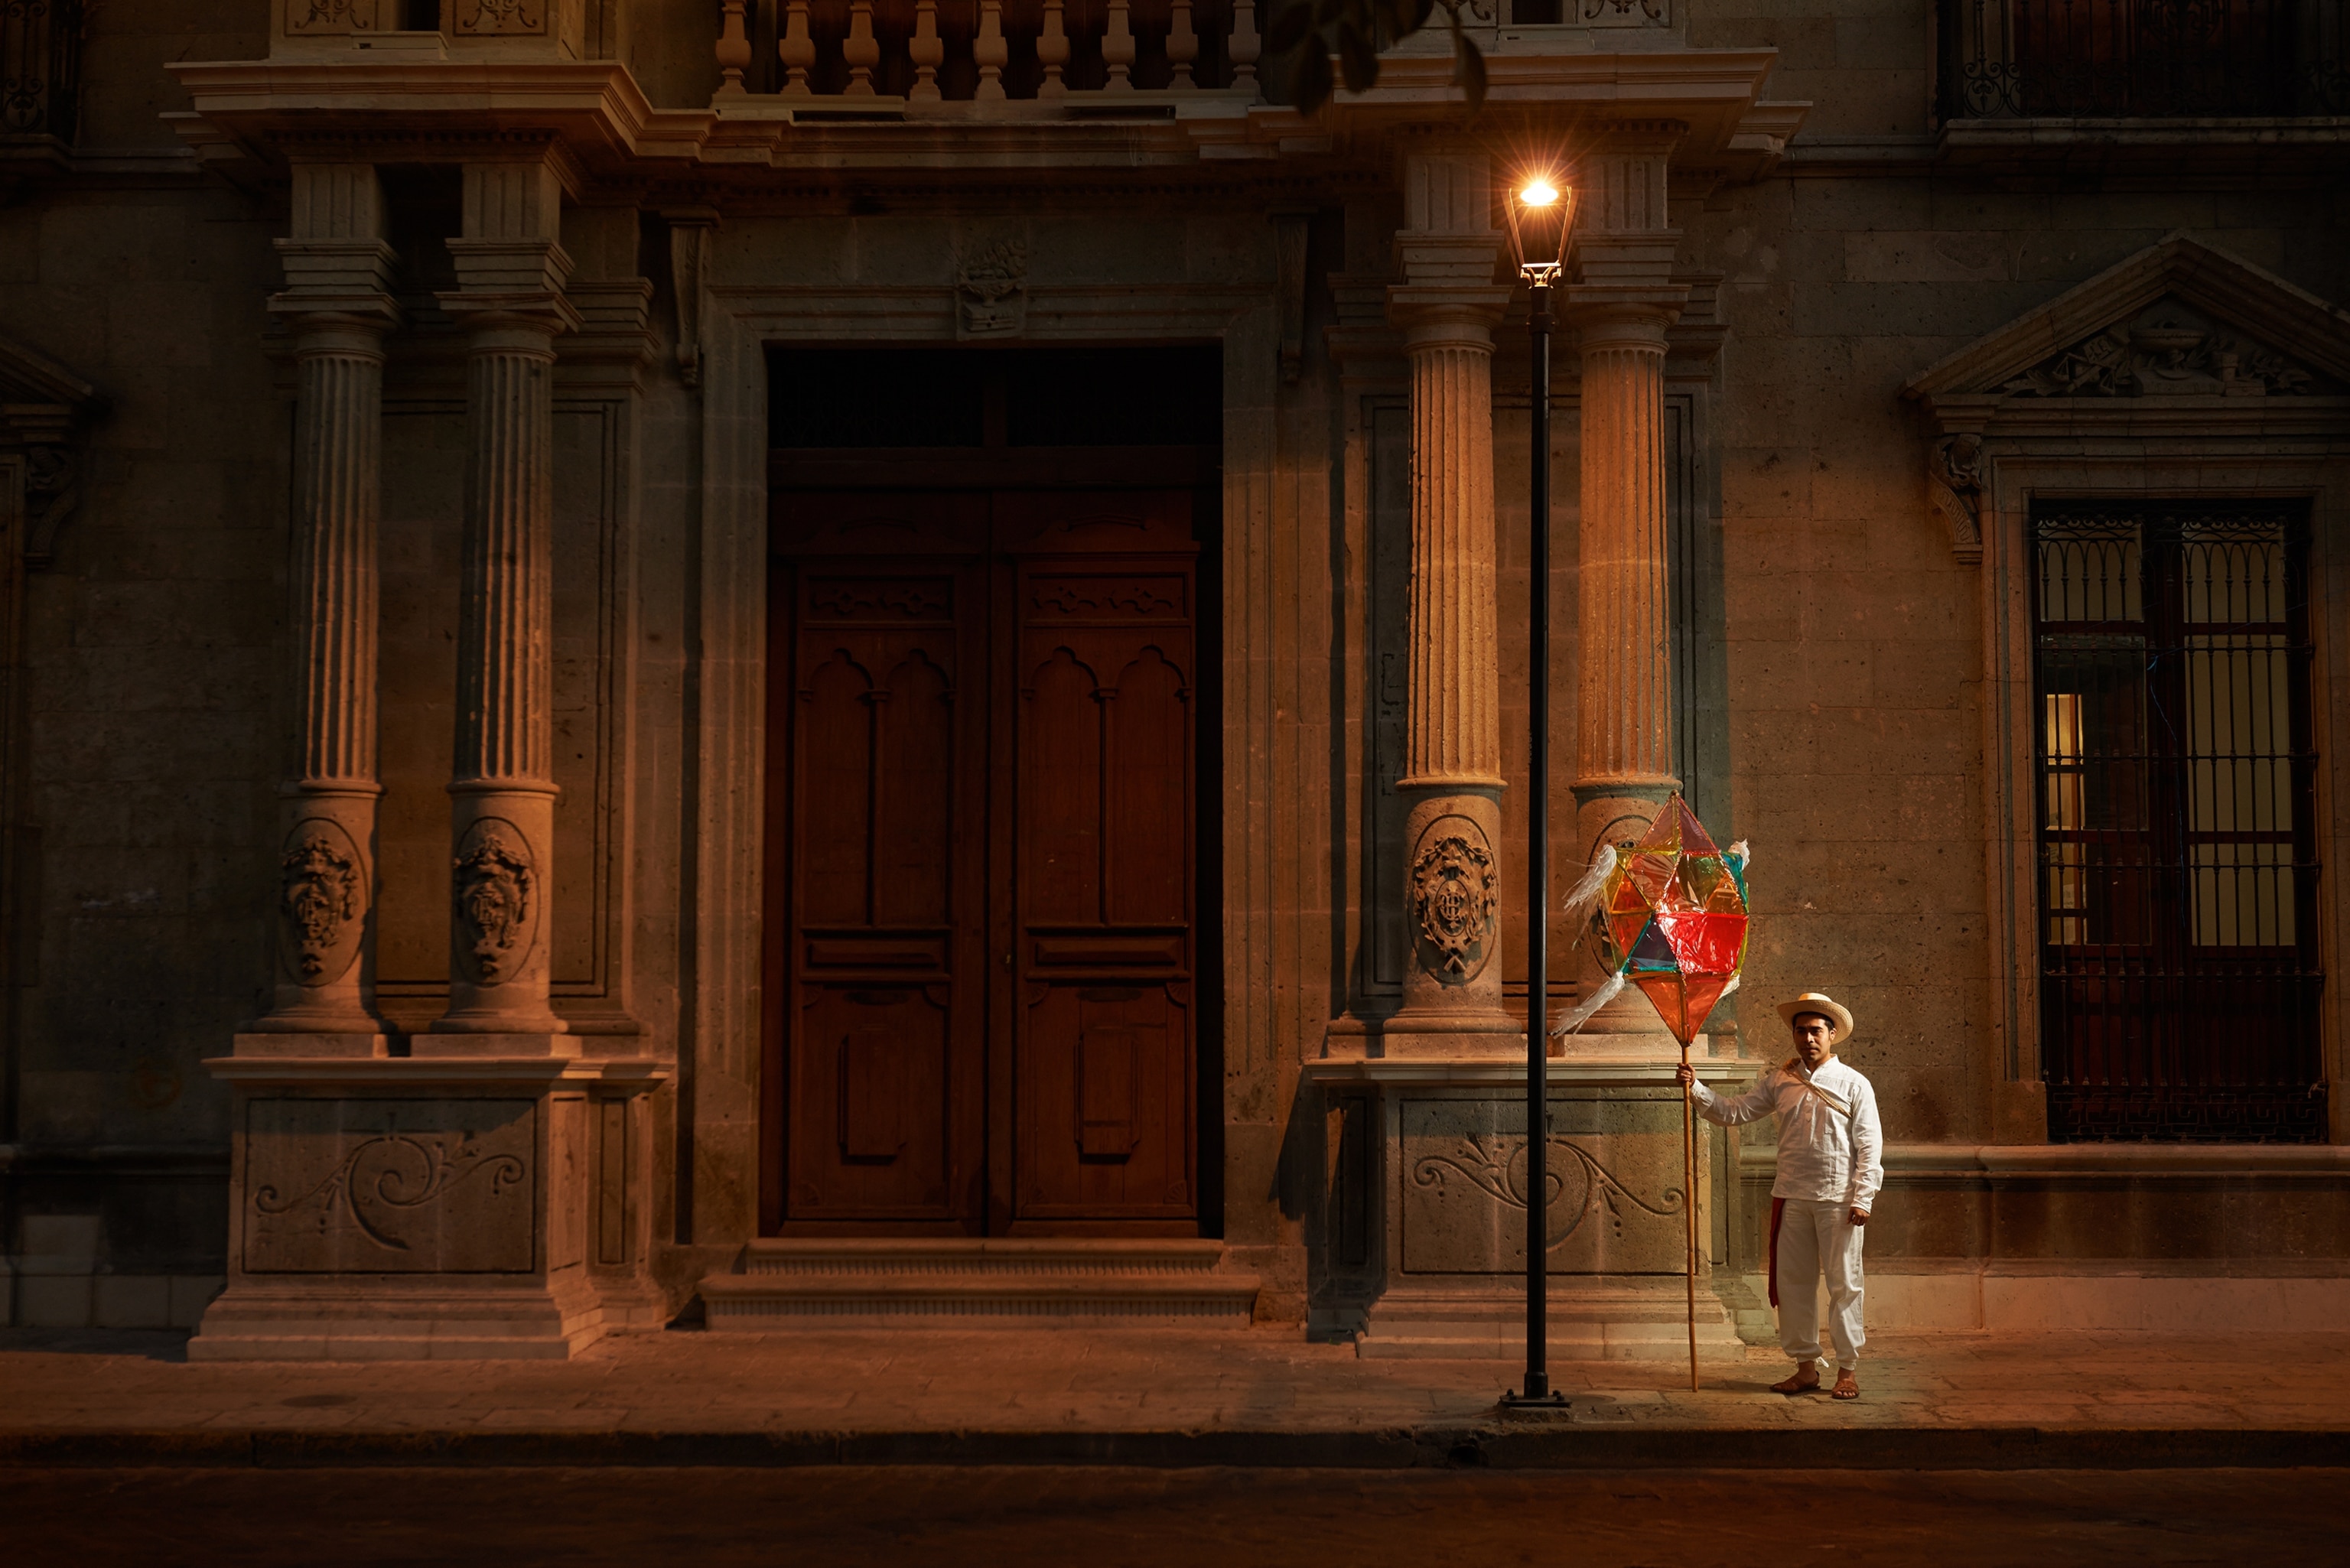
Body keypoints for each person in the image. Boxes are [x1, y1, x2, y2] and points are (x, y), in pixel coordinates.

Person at [1676, 991, 1883, 1400]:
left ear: (1832, 1034)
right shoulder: (1781, 1081)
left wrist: (1864, 1197)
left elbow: (1870, 1145)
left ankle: (1847, 1370)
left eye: (1816, 1030)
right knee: (1793, 1286)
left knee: (1845, 1284)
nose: (1808, 1038)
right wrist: (1695, 1087)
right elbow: (1733, 1111)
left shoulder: (1854, 1084)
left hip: (1839, 1200)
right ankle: (1805, 1368)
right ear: (1793, 1034)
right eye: (1801, 1030)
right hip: (1792, 1196)